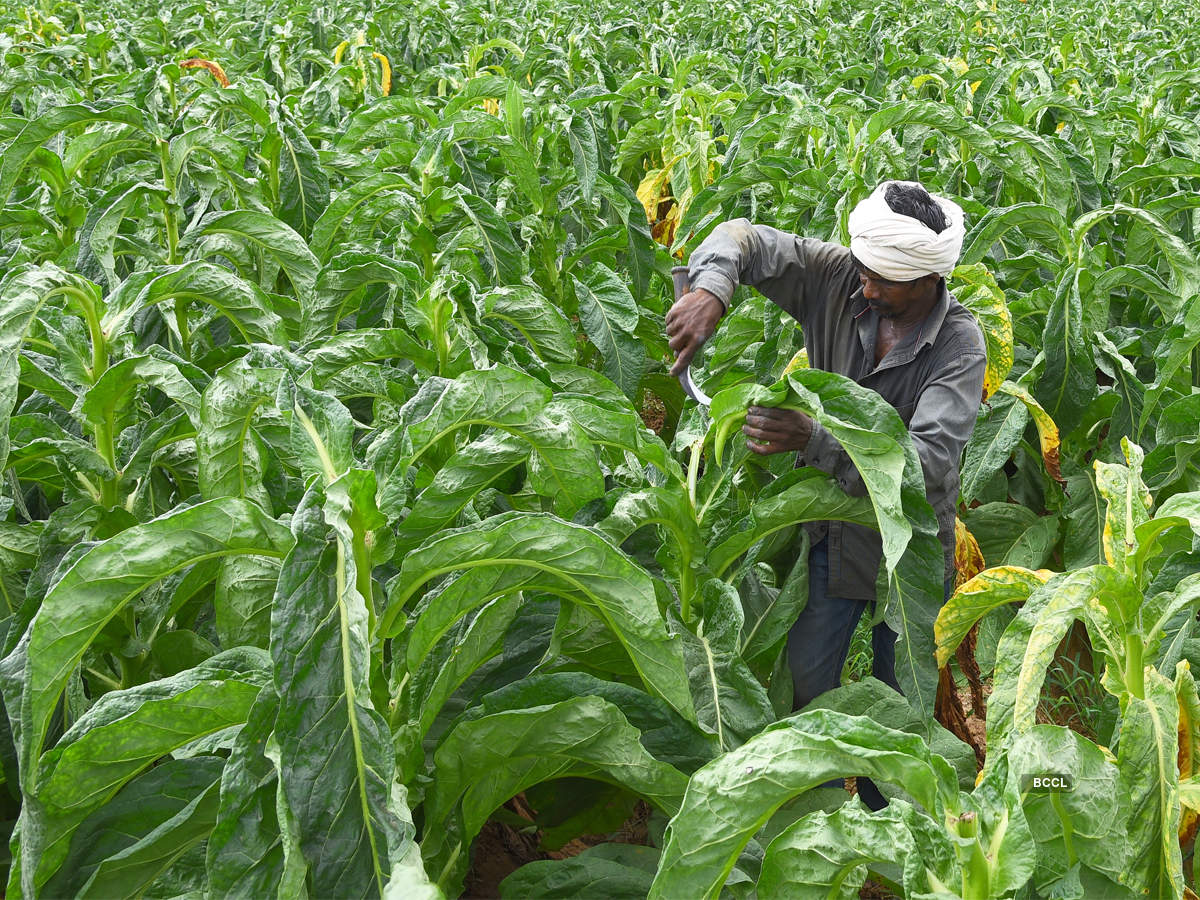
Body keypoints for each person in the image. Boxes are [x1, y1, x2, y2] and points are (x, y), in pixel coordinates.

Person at [665, 181, 986, 804]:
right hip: (831, 531)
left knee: (902, 705)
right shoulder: (842, 277)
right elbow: (746, 239)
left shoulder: (958, 345)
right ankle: (810, 816)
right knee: (807, 680)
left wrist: (815, 441)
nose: (864, 289)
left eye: (884, 281)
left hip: (909, 553)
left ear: (928, 280)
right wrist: (711, 289)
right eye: (863, 271)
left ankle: (890, 830)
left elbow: (925, 466)